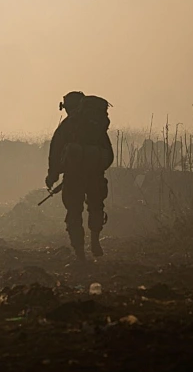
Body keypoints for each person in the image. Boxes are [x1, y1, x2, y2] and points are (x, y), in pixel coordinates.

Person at [46, 92, 114, 262]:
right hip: (96, 176)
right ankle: (95, 240)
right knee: (96, 208)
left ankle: (79, 253)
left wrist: (52, 175)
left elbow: (55, 152)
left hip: (73, 177)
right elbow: (109, 153)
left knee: (74, 213)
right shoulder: (97, 127)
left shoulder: (67, 126)